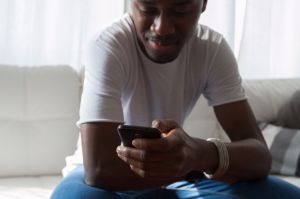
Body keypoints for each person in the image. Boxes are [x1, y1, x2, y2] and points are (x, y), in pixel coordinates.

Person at [51, 0, 300, 198]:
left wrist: (198, 153)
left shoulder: (211, 49)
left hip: (180, 179)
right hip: (104, 184)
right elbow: (99, 169)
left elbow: (260, 157)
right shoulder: (108, 45)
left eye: (180, 10)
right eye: (148, 8)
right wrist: (188, 163)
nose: (161, 28)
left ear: (203, 3)